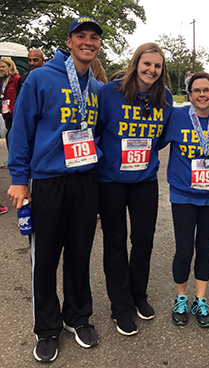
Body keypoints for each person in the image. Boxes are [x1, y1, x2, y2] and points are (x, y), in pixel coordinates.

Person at [7, 15, 103, 363]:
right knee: (45, 258)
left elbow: (97, 132)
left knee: (80, 253)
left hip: (84, 179)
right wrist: (19, 178)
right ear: (69, 40)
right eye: (82, 36)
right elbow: (21, 130)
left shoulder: (94, 84)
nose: (88, 42)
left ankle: (78, 317)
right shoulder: (40, 78)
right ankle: (46, 328)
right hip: (47, 180)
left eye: (93, 37)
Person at [96, 43, 173, 336]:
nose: (152, 70)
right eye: (147, 64)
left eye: (157, 66)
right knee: (115, 243)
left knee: (143, 240)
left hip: (144, 180)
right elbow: (97, 129)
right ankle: (121, 306)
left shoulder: (164, 97)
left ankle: (139, 296)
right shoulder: (109, 93)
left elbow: (163, 136)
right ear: (135, 63)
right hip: (111, 181)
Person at [161, 72, 209, 328]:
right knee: (184, 249)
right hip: (183, 194)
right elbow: (154, 142)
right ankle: (181, 297)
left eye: (207, 90)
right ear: (189, 95)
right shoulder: (177, 117)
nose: (202, 94)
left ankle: (200, 299)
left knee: (205, 248)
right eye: (196, 90)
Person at [0, 57, 20, 149]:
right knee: (8, 135)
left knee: (13, 135)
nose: (1, 69)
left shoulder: (16, 79)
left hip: (15, 113)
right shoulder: (4, 80)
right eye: (0, 67)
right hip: (6, 113)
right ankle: (10, 156)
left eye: (3, 66)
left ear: (10, 66)